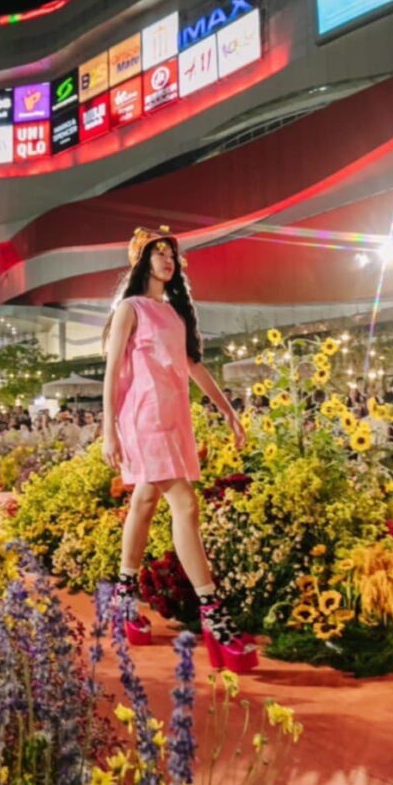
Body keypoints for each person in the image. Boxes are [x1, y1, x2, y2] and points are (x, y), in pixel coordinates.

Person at [102, 226, 256, 672]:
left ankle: (123, 597)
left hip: (174, 419)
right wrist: (109, 428)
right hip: (144, 418)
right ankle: (213, 614)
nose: (167, 259)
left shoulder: (173, 314)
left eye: (171, 253)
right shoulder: (130, 308)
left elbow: (193, 366)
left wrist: (228, 411)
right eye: (158, 253)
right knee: (185, 504)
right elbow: (112, 370)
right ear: (142, 261)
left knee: (145, 501)